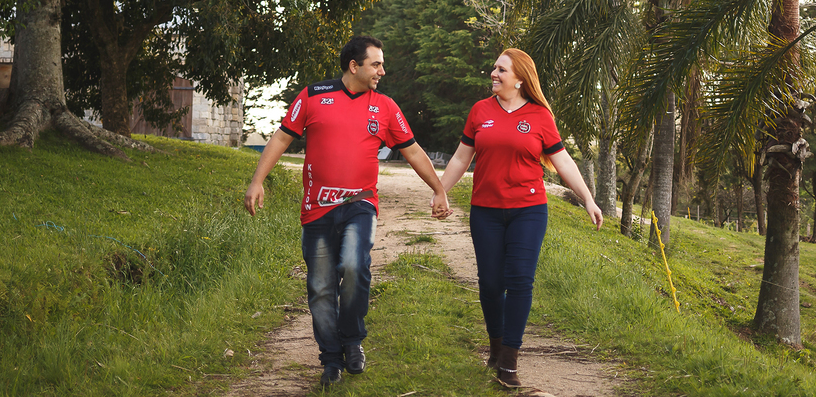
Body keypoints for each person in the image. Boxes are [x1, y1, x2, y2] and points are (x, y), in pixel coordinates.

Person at [245, 35, 452, 387]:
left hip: (360, 203)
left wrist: (439, 188)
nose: (382, 71)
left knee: (355, 266)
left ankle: (353, 339)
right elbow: (281, 137)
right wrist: (257, 181)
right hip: (316, 209)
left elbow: (413, 150)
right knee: (321, 287)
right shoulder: (313, 95)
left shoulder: (385, 106)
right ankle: (331, 359)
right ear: (354, 66)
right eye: (376, 64)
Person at [437, 48, 603, 388]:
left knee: (520, 281)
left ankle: (509, 361)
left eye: (501, 69)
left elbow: (563, 161)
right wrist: (440, 191)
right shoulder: (480, 111)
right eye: (494, 68)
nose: (494, 74)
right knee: (490, 284)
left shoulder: (540, 116)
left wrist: (588, 198)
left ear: (520, 79)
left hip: (528, 210)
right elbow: (460, 158)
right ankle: (496, 347)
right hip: (485, 210)